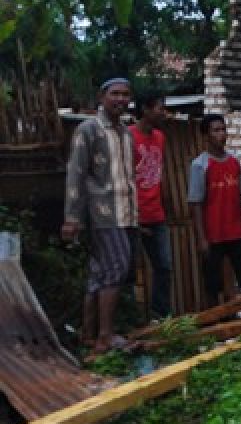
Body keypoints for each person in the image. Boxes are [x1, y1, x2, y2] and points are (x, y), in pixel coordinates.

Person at [62, 77, 138, 354]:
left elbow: (129, 178)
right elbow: (75, 174)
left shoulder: (126, 133)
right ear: (102, 96)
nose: (120, 99)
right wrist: (72, 218)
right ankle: (106, 336)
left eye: (125, 94)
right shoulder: (89, 129)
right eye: (115, 94)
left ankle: (88, 335)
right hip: (103, 214)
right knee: (115, 269)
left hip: (126, 213)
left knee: (98, 274)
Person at [188, 113, 241, 305]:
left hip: (236, 232)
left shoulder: (234, 162)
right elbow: (195, 204)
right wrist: (202, 238)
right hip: (214, 235)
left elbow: (239, 197)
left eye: (223, 129)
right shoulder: (200, 165)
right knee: (213, 283)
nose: (222, 134)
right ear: (206, 135)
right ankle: (215, 323)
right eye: (216, 130)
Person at [131, 91, 172, 319]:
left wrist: (164, 202)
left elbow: (159, 171)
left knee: (164, 267)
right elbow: (124, 177)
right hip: (135, 215)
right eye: (159, 107)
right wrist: (132, 215)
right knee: (129, 272)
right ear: (145, 109)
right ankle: (131, 319)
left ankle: (160, 315)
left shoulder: (160, 137)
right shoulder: (129, 137)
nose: (163, 112)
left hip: (157, 214)